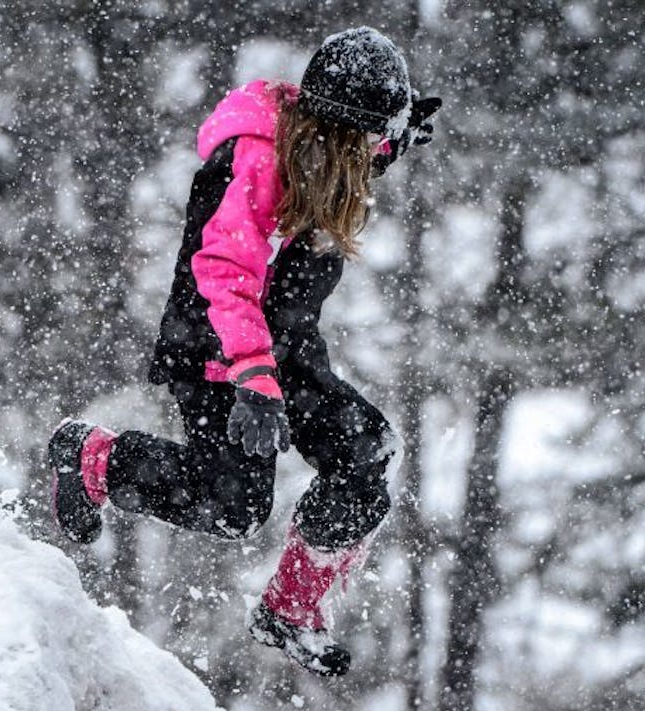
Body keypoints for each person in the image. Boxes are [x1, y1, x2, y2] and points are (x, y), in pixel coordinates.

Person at [49, 26, 439, 678]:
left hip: (283, 351)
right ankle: (93, 457)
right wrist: (253, 377)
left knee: (365, 453)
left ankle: (290, 610)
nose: (378, 158)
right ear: (340, 136)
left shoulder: (320, 154)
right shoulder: (252, 159)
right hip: (221, 351)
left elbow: (359, 153)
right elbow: (225, 271)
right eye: (373, 143)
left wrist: (395, 134)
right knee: (233, 508)